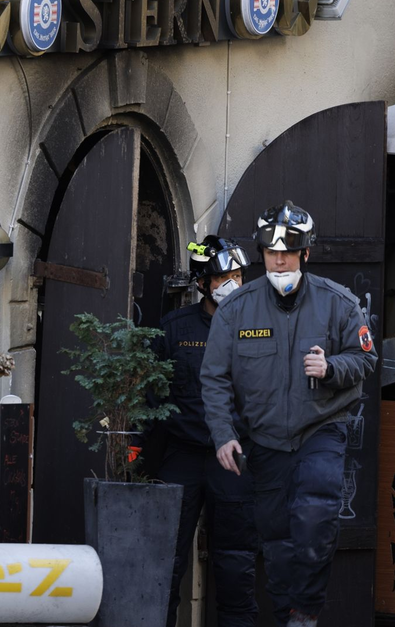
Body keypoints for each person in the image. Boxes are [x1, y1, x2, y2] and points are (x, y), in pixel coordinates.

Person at [201, 201, 377, 627]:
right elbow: (215, 378)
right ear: (261, 253)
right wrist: (224, 433)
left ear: (306, 253)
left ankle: (306, 610)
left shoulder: (339, 303)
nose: (280, 259)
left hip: (321, 429)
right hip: (265, 440)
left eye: (289, 251)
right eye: (271, 251)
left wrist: (332, 368)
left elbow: (367, 359)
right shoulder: (235, 311)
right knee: (277, 542)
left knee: (316, 516)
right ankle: (290, 617)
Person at [151, 236, 259, 627]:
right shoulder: (174, 329)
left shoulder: (260, 329)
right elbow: (152, 398)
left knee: (236, 562)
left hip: (233, 457)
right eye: (223, 276)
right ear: (202, 284)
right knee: (164, 560)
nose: (233, 282)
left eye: (238, 274)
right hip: (182, 456)